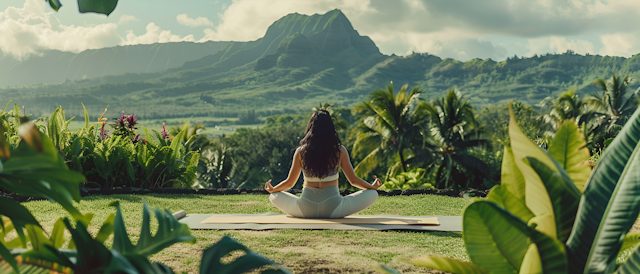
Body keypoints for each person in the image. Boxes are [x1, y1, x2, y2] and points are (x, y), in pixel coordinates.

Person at [264, 109, 382, 218]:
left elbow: (290, 183)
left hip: (305, 210)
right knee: (372, 194)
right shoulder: (340, 151)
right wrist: (372, 187)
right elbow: (353, 180)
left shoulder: (301, 151)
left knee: (273, 196)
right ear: (331, 128)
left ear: (311, 127)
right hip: (335, 209)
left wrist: (273, 189)